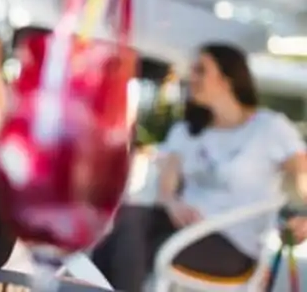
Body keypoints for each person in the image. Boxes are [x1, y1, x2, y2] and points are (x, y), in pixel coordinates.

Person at [91, 43, 307, 292]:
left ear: (228, 78)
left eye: (200, 70)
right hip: (179, 228)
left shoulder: (269, 128)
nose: (191, 77)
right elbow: (167, 188)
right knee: (120, 223)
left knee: (127, 240)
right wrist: (173, 204)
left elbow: (303, 175)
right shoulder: (186, 131)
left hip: (232, 243)